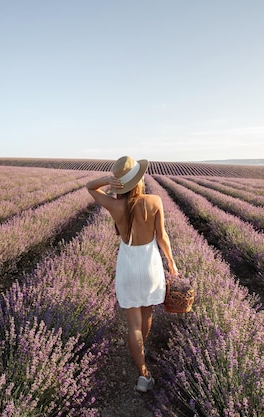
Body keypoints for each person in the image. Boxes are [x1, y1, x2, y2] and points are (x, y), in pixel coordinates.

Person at [86, 155, 179, 392]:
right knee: (146, 313)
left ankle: (142, 373)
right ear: (139, 180)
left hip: (128, 266)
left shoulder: (115, 205)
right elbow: (162, 237)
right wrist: (171, 262)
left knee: (133, 325)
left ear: (122, 184)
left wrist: (108, 180)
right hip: (150, 265)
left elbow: (89, 187)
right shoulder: (154, 201)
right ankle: (140, 352)